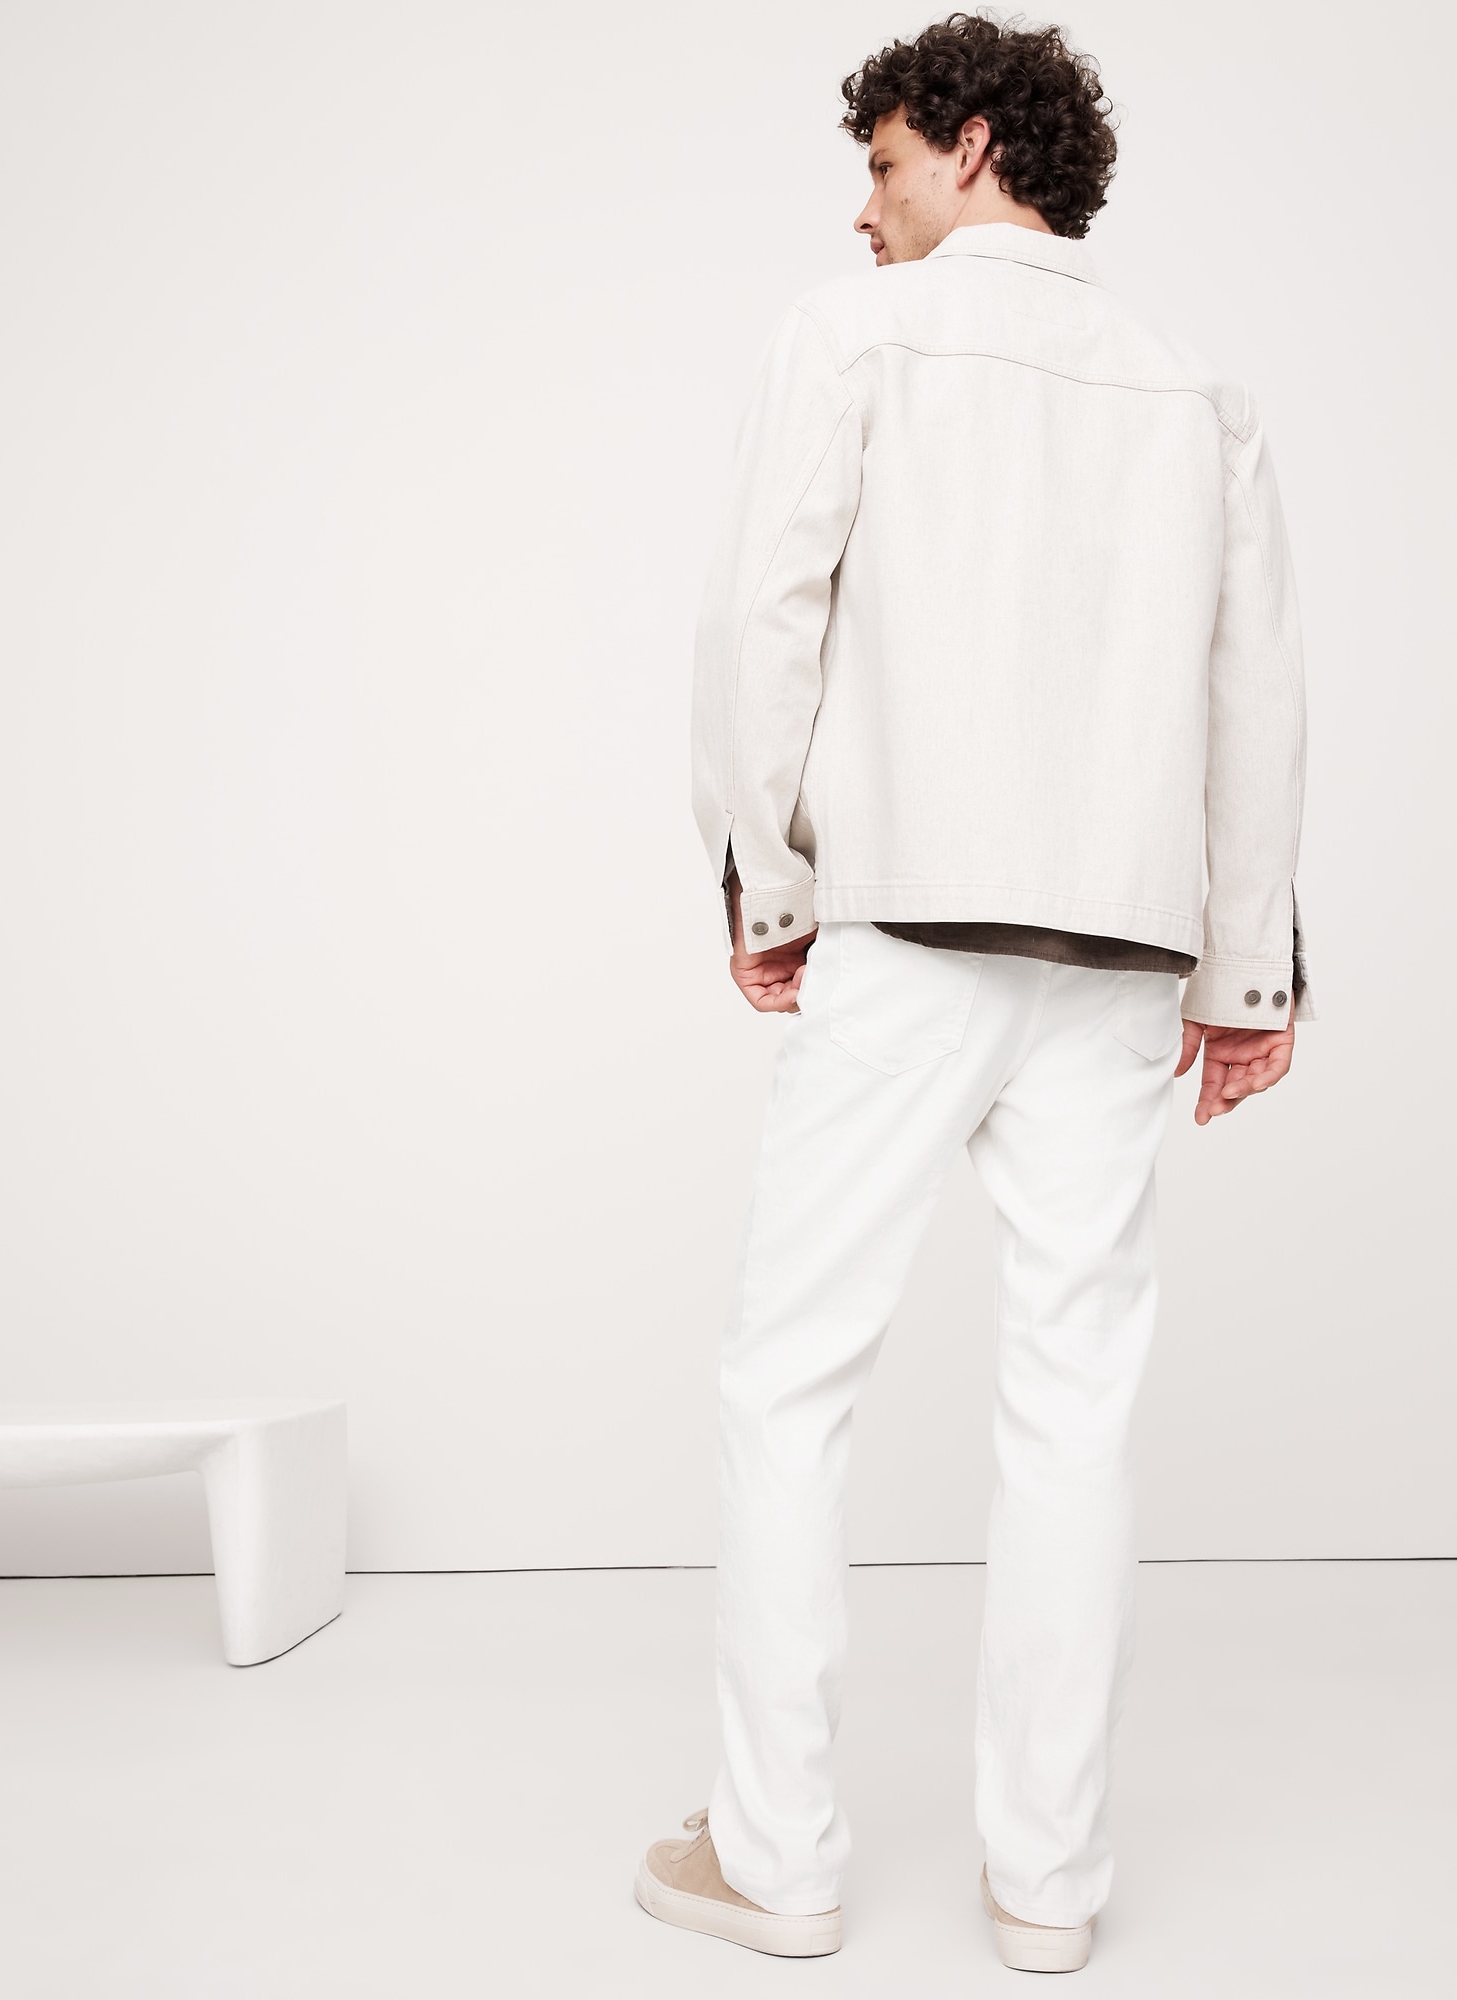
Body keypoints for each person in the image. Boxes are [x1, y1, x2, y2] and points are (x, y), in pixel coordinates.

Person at [634, 10, 1312, 1974]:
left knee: (789, 1380)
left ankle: (779, 1858)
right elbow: (1256, 691)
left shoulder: (854, 340)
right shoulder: (1195, 386)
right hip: (1117, 968)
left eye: (881, 165)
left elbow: (760, 620)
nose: (862, 211)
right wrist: (1246, 969)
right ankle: (1051, 1885)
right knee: (1075, 1408)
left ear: (976, 142)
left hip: (908, 933)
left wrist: (768, 879)